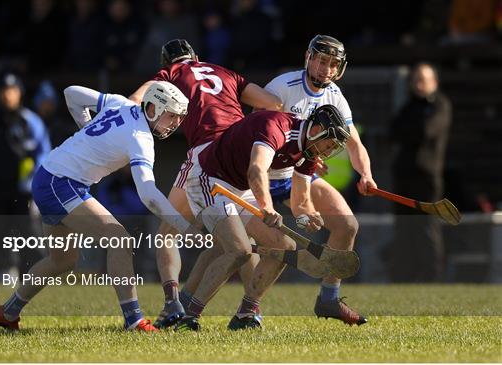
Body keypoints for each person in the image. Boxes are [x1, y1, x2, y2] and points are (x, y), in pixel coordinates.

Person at [0, 81, 199, 332]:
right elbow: (148, 194)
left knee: (63, 261)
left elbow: (71, 93)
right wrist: (183, 226)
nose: (175, 124)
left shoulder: (121, 103)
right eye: (172, 115)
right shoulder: (140, 137)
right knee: (120, 240)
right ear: (152, 108)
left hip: (51, 176)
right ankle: (133, 319)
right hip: (60, 182)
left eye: (179, 118)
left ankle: (8, 312)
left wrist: (86, 126)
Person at [129, 38, 282, 329]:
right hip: (240, 150)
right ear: (196, 57)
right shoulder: (224, 72)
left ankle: (174, 304)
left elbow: (137, 100)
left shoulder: (171, 74)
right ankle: (250, 312)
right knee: (243, 238)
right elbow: (272, 103)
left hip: (208, 152)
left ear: (167, 63)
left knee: (167, 233)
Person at [174, 105, 349, 331]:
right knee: (240, 250)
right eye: (330, 143)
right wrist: (267, 207)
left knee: (285, 247)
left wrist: (308, 215)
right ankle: (188, 319)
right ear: (316, 130)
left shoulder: (309, 153)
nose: (329, 150)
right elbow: (256, 170)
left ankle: (245, 315)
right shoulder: (277, 127)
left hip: (239, 188)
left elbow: (301, 201)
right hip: (210, 179)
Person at [262, 35, 375, 324]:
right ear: (308, 57)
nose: (326, 69)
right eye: (322, 61)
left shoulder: (335, 96)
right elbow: (256, 136)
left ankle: (329, 299)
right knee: (252, 249)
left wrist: (365, 174)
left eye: (333, 64)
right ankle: (245, 309)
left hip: (299, 176)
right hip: (261, 177)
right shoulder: (281, 87)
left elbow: (354, 144)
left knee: (347, 225)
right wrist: (299, 153)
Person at [0, 74, 51, 280]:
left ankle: (35, 274)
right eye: (4, 91)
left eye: (12, 91)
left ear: (19, 93)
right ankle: (6, 272)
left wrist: (35, 183)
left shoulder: (30, 121)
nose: (8, 96)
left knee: (28, 233)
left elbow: (44, 154)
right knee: (0, 234)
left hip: (24, 192)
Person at [388, 62, 452, 282]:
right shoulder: (409, 106)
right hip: (405, 176)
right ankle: (403, 278)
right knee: (404, 229)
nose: (418, 84)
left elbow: (427, 130)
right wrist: (410, 129)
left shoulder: (440, 105)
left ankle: (432, 278)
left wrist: (410, 130)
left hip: (426, 178)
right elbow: (394, 130)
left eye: (423, 79)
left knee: (427, 229)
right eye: (415, 80)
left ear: (434, 82)